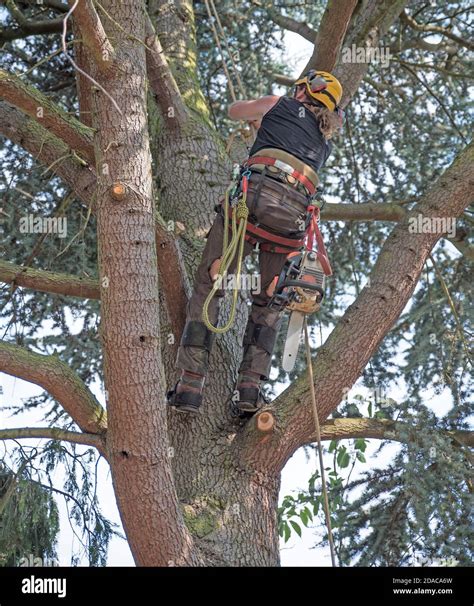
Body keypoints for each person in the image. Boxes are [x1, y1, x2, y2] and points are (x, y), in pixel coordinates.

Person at [167, 70, 343, 417]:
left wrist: (260, 114)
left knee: (212, 282)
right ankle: (250, 388)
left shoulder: (279, 105)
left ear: (302, 91)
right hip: (290, 223)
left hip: (250, 205)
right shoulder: (324, 143)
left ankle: (190, 383)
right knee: (269, 301)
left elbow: (235, 110)